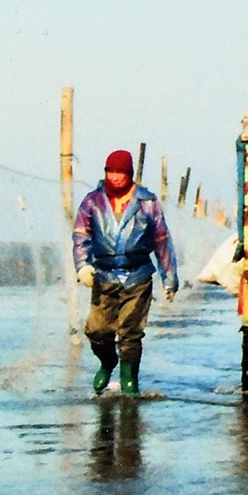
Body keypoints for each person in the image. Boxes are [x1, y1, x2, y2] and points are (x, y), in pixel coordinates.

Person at [72, 149, 177, 397]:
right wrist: (83, 265)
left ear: (129, 174)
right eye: (111, 171)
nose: (115, 177)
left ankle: (129, 376)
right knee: (97, 330)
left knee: (130, 331)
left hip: (137, 275)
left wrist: (169, 278)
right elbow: (81, 236)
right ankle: (108, 362)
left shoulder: (147, 203)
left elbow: (161, 240)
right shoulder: (92, 202)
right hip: (104, 275)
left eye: (120, 172)